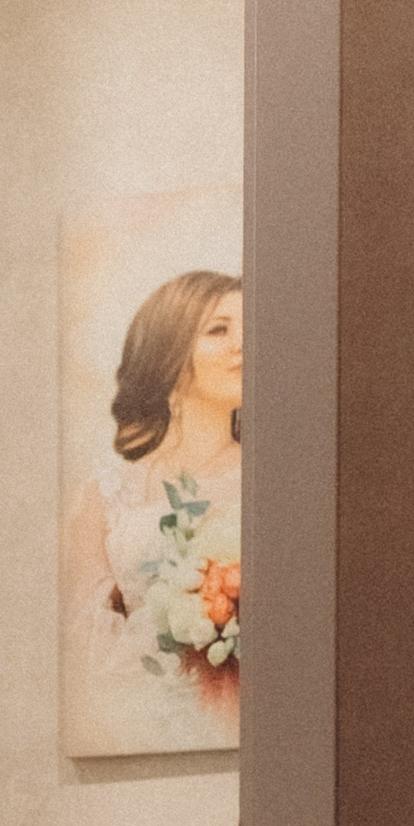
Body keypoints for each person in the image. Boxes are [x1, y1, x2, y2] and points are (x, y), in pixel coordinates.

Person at [62, 270, 243, 755]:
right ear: (170, 351)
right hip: (133, 726)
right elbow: (81, 639)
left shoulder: (275, 479)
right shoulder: (103, 495)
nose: (243, 346)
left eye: (252, 330)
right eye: (219, 329)